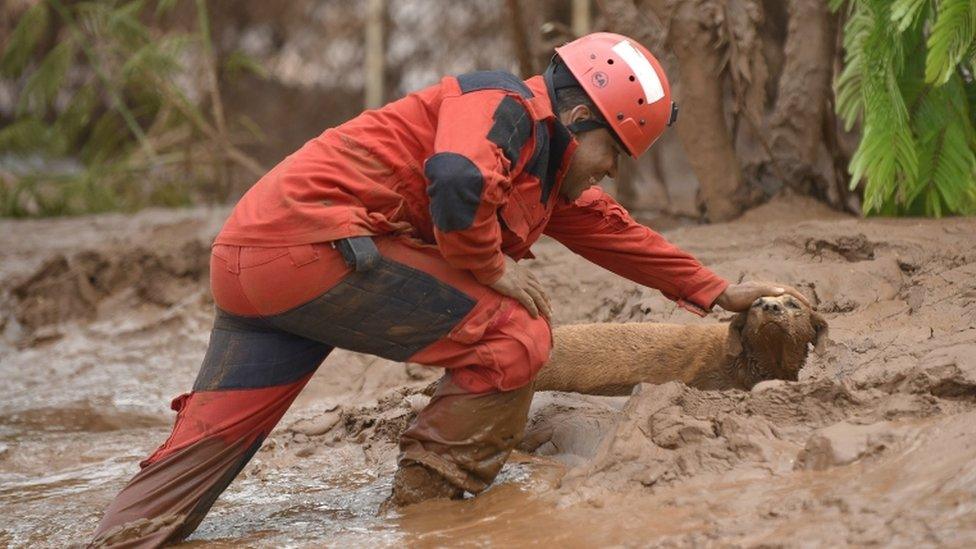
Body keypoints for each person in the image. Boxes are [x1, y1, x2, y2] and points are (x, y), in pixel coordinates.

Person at [89, 32, 808, 547]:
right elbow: (458, 182)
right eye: (614, 154)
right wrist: (493, 267)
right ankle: (431, 511)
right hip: (312, 250)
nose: (612, 173)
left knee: (189, 473)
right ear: (582, 119)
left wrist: (719, 293)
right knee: (513, 336)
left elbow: (620, 234)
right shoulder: (503, 104)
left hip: (253, 258)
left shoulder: (544, 163)